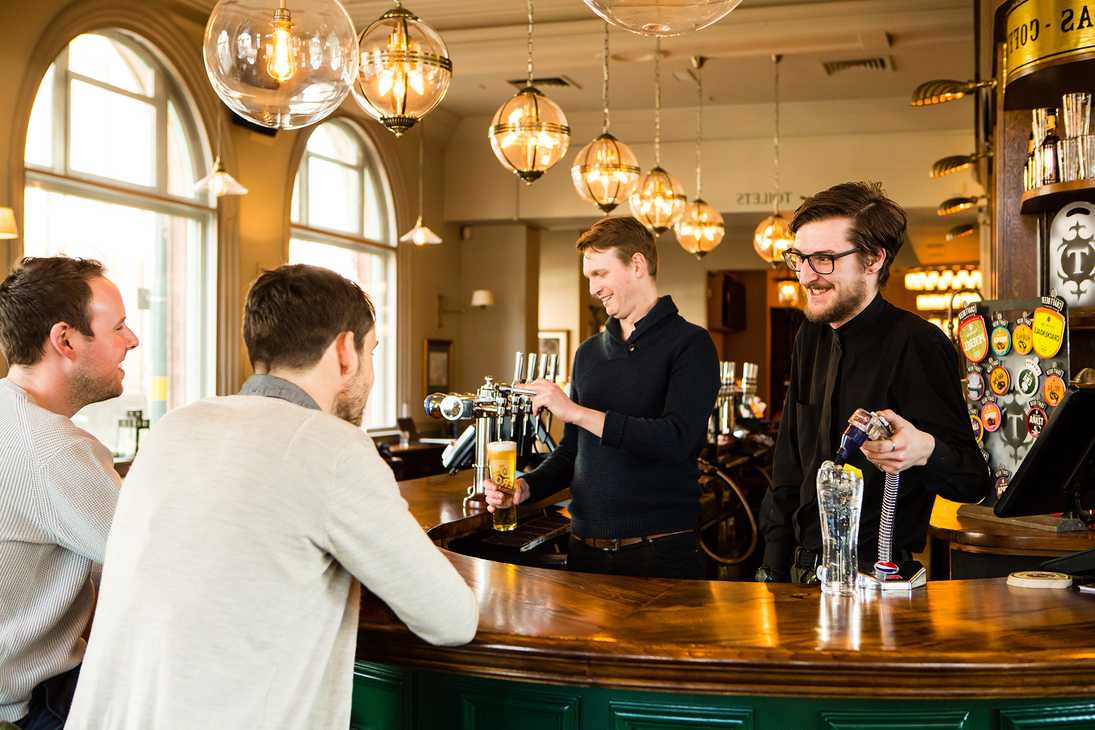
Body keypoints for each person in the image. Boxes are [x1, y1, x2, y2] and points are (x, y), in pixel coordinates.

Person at [65, 265, 477, 729]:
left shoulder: (174, 427)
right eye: (371, 350)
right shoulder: (333, 448)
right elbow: (451, 620)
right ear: (346, 351)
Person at [757, 182, 990, 583]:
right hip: (799, 574)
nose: (807, 276)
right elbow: (788, 466)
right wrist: (771, 567)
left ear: (873, 260)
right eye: (800, 258)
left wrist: (924, 450)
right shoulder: (808, 337)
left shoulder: (918, 343)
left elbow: (972, 479)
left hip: (877, 579)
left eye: (825, 259)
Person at [485, 217, 719, 579]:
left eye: (601, 274)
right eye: (589, 277)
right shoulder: (588, 353)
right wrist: (526, 486)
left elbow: (677, 440)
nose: (593, 289)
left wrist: (575, 412)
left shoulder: (691, 344)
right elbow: (572, 453)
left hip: (660, 554)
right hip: (585, 554)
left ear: (637, 265)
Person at [0, 257, 139, 730]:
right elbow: (154, 564)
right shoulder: (54, 450)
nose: (132, 340)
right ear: (65, 340)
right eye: (118, 327)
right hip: (27, 709)